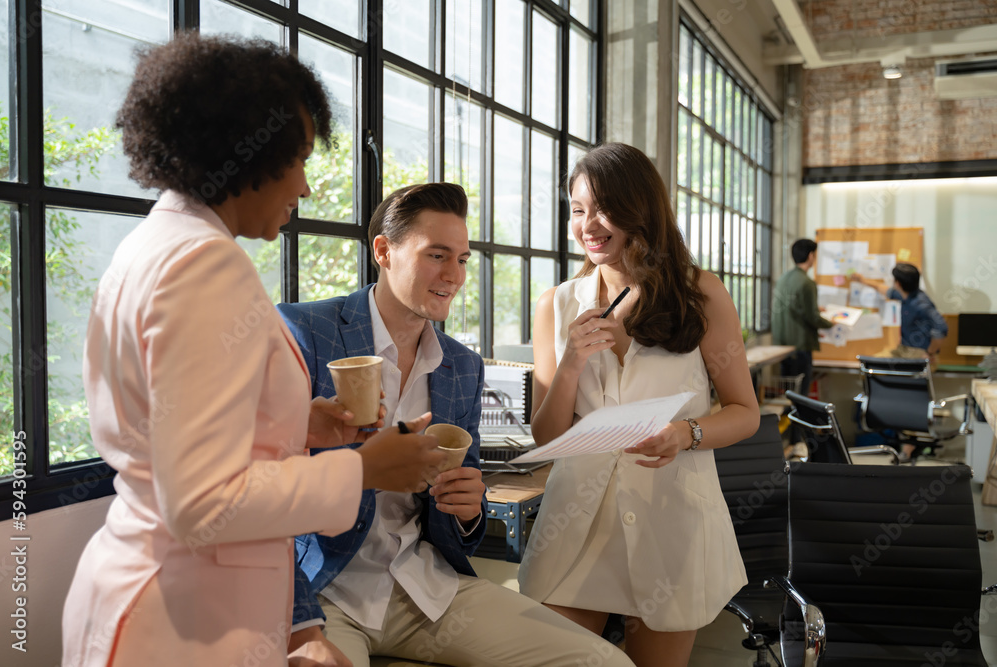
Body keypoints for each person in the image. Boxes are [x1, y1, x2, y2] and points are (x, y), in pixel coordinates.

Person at [61, 34, 444, 667]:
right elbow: (202, 501)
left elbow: (177, 436)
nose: (305, 186)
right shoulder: (204, 267)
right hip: (183, 622)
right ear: (245, 155)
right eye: (297, 159)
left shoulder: (157, 243)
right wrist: (365, 469)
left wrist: (307, 422)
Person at [279, 183, 635, 667]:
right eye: (437, 256)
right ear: (384, 251)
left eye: (463, 260)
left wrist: (469, 509)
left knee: (606, 662)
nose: (454, 276)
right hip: (324, 590)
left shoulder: (461, 366)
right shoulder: (306, 333)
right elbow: (259, 477)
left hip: (421, 586)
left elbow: (461, 516)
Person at [517, 143, 760, 667]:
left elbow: (745, 411)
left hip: (670, 518)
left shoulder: (701, 293)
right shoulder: (556, 304)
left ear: (640, 211)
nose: (588, 225)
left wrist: (686, 433)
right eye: (578, 210)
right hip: (575, 524)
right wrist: (571, 364)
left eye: (603, 209)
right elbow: (545, 437)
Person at [852, 262, 949, 463]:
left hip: (918, 353)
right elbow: (883, 290)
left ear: (898, 282)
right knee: (871, 363)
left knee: (909, 396)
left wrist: (930, 351)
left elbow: (942, 327)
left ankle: (907, 449)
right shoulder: (903, 294)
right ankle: (875, 407)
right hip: (903, 349)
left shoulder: (921, 303)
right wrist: (862, 280)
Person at [771, 238, 834, 453]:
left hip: (782, 348)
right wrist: (831, 322)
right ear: (810, 256)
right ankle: (797, 441)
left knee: (787, 395)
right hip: (800, 347)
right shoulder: (807, 283)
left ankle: (789, 441)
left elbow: (797, 309)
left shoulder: (784, 279)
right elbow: (811, 317)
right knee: (801, 397)